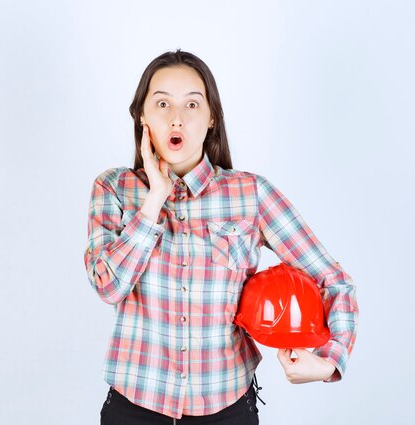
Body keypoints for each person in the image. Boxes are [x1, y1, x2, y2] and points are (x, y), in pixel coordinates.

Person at [83, 48, 359, 424]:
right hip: (134, 406)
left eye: (192, 105)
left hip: (226, 408)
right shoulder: (113, 189)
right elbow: (109, 288)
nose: (176, 118)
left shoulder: (251, 194)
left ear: (211, 117)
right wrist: (154, 201)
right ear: (142, 116)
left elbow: (333, 279)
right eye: (162, 103)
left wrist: (329, 361)